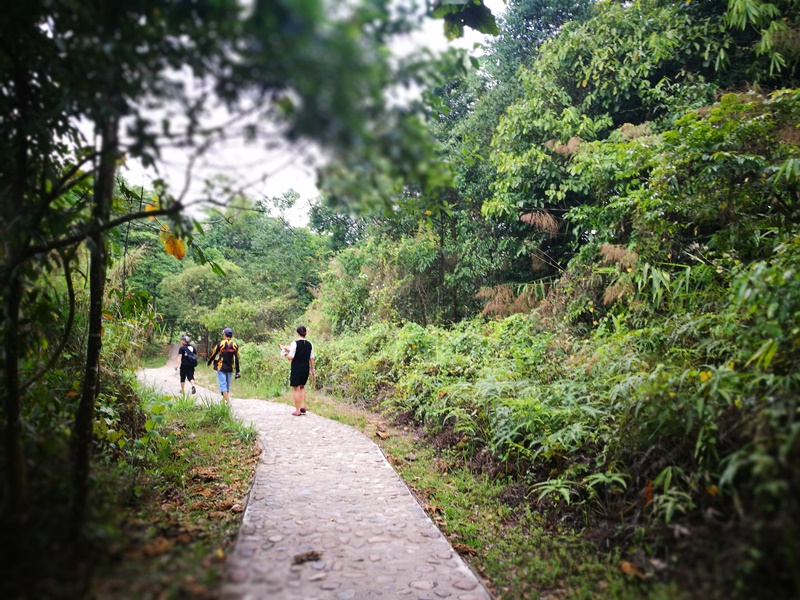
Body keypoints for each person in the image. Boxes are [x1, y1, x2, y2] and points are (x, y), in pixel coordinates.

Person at [281, 325, 315, 416]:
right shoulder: (310, 344)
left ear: (297, 334)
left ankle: (297, 410)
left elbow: (290, 357)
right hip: (305, 369)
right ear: (305, 333)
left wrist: (284, 352)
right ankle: (303, 405)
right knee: (302, 386)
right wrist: (313, 370)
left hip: (296, 369)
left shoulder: (294, 343)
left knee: (296, 388)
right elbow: (311, 358)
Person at [207, 327, 241, 405]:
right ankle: (224, 401)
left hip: (221, 367)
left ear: (224, 335)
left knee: (223, 385)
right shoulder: (235, 345)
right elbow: (237, 358)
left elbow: (213, 354)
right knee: (227, 385)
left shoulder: (220, 344)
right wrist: (238, 370)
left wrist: (209, 362)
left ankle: (228, 402)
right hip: (230, 368)